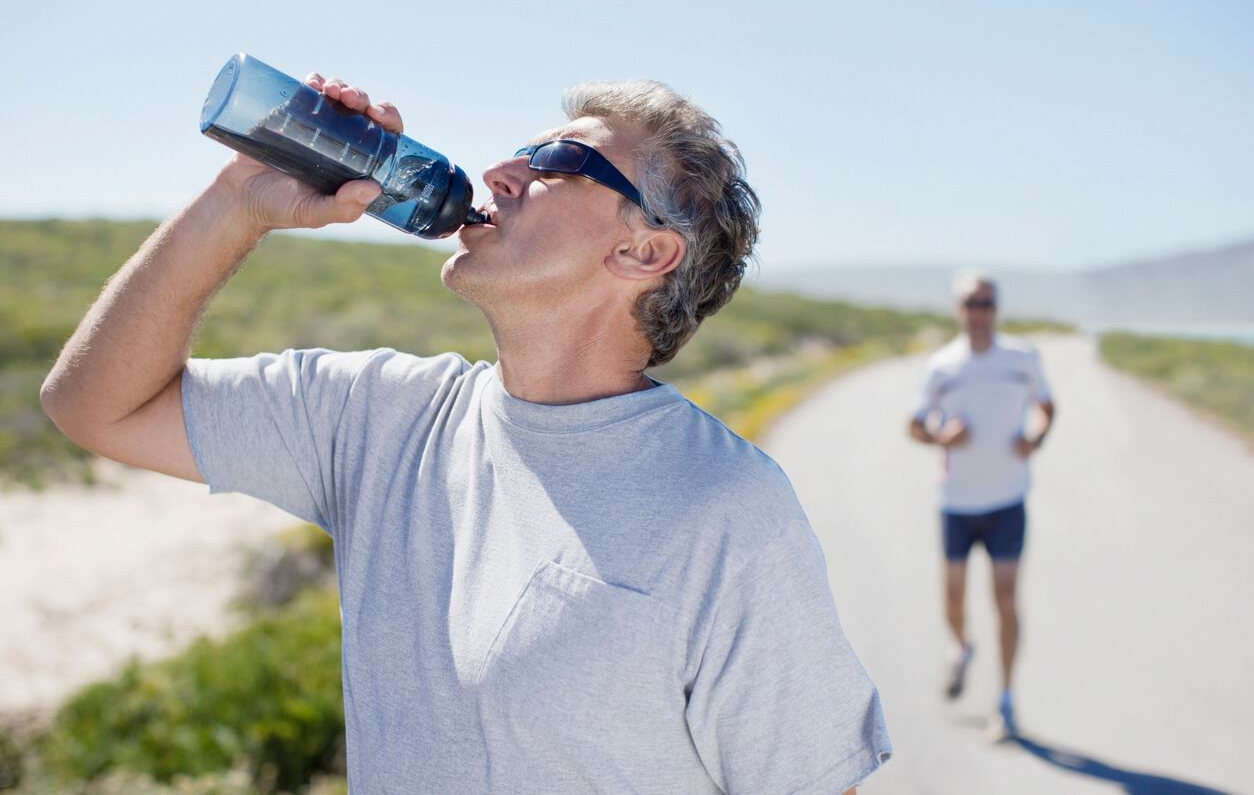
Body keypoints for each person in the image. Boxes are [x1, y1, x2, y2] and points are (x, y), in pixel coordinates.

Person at [42, 72, 891, 792]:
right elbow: (95, 405)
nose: (500, 171)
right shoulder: (376, 417)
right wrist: (240, 201)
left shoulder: (728, 510)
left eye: (560, 160)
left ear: (645, 255)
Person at [907, 272, 1055, 739]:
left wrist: (1036, 438)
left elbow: (1047, 406)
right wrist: (938, 436)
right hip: (957, 504)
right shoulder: (943, 366)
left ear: (997, 308)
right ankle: (961, 647)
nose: (979, 312)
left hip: (1008, 498)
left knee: (1006, 600)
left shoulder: (1022, 356)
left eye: (986, 303)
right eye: (971, 303)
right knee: (953, 598)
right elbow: (914, 425)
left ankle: (1006, 702)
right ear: (959, 309)